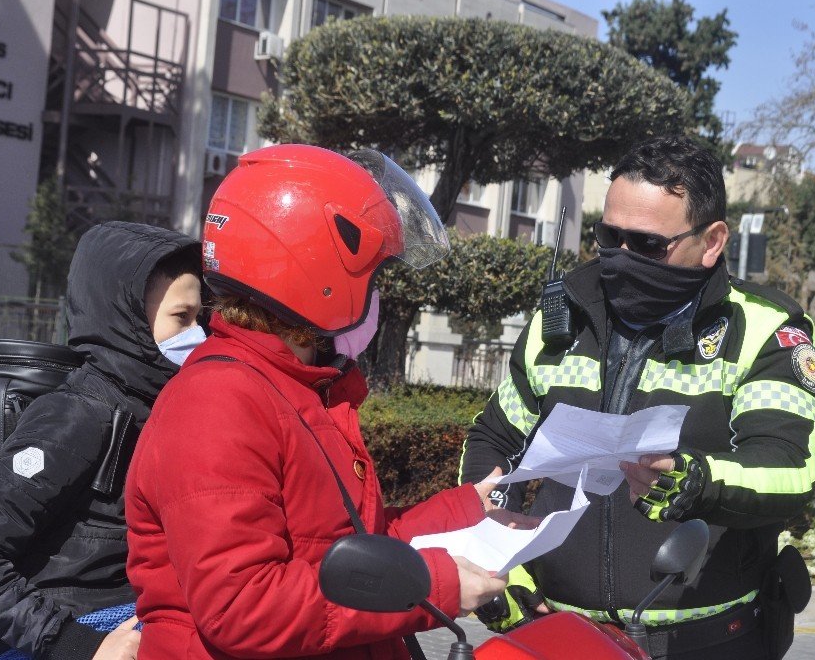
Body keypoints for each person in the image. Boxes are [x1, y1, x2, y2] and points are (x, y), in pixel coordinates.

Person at [124, 144, 534, 659]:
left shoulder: (298, 387)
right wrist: (434, 587)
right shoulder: (218, 403)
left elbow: (357, 542)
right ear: (313, 274)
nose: (376, 297)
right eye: (372, 278)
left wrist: (465, 510)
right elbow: (243, 606)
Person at [460, 135, 815, 660]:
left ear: (713, 240)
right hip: (557, 636)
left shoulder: (765, 329)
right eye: (610, 237)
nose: (622, 259)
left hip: (709, 642)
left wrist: (695, 480)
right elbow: (492, 442)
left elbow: (790, 469)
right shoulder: (561, 319)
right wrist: (499, 567)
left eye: (649, 245)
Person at [0, 221, 206, 660]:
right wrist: (78, 645)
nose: (198, 335)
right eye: (183, 318)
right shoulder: (77, 414)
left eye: (199, 318)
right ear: (129, 315)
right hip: (65, 639)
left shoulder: (158, 406)